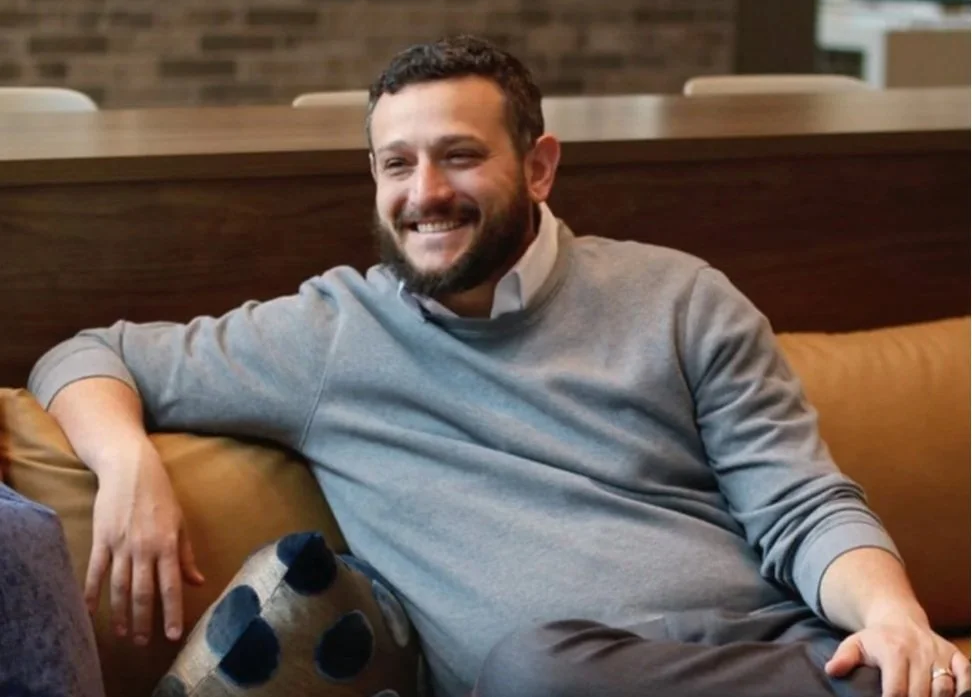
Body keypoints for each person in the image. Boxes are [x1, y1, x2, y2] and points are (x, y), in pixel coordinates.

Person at [29, 35, 969, 697]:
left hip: (773, 662)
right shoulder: (329, 336)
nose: (424, 192)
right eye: (396, 164)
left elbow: (800, 504)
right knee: (531, 671)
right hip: (561, 679)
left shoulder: (680, 296)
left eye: (460, 156)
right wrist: (125, 463)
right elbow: (88, 353)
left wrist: (895, 621)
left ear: (542, 165)